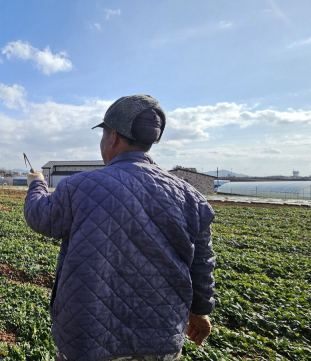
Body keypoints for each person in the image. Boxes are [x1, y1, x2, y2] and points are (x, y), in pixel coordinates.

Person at [24, 95, 215, 361]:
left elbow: (40, 216)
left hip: (88, 339)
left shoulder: (78, 186)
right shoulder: (191, 197)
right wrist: (200, 310)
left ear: (112, 137)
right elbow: (202, 264)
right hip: (161, 340)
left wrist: (36, 183)